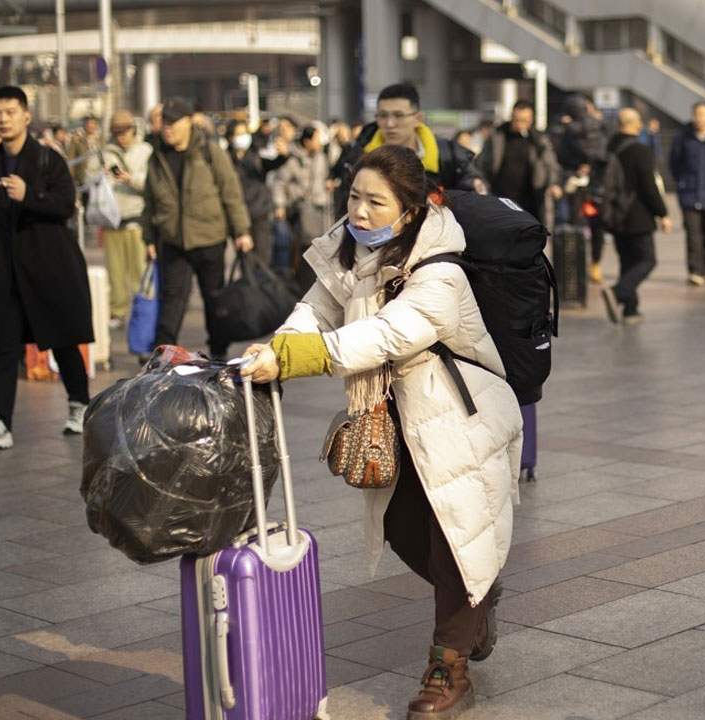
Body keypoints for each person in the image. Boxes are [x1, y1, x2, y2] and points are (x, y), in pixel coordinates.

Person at [239, 144, 521, 720]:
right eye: (354, 197)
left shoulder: (440, 270)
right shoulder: (350, 252)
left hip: (458, 420)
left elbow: (388, 335)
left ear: (411, 210)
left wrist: (296, 359)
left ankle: (449, 668)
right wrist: (276, 346)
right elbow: (315, 309)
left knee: (455, 540)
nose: (361, 212)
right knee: (400, 527)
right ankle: (476, 597)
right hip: (394, 420)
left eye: (376, 202)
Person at [0, 86, 93, 449]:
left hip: (48, 265)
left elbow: (66, 205)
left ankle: (79, 404)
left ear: (25, 116)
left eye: (9, 112)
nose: (2, 119)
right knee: (2, 344)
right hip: (6, 269)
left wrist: (29, 196)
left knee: (62, 338)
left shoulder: (47, 160)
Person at [142, 98, 253, 359]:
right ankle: (162, 354)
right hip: (173, 240)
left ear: (188, 122)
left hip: (209, 238)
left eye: (172, 122)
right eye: (164, 123)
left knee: (214, 299)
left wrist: (241, 232)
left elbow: (231, 193)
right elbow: (149, 202)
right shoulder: (156, 157)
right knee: (172, 299)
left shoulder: (209, 151)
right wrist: (148, 237)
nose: (166, 128)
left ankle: (218, 351)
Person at [330, 83, 485, 214]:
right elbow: (345, 212)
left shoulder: (450, 156)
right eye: (383, 116)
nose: (390, 124)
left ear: (418, 118)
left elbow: (474, 208)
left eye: (398, 116)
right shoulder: (359, 159)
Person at [598, 108, 670, 325]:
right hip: (637, 216)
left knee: (627, 263)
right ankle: (618, 292)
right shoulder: (639, 150)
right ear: (635, 124)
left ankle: (631, 310)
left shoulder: (609, 148)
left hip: (614, 214)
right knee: (647, 260)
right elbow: (649, 186)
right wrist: (662, 213)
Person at [100, 109, 153, 328]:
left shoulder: (145, 150)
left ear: (133, 129)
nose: (122, 136)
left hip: (135, 220)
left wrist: (131, 179)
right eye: (117, 132)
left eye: (125, 131)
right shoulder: (106, 152)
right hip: (112, 221)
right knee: (115, 273)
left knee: (140, 272)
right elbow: (88, 177)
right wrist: (101, 176)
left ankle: (147, 310)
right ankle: (118, 311)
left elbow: (151, 184)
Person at [550, 93, 611, 283]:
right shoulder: (599, 125)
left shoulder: (561, 128)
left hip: (572, 180)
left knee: (573, 224)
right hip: (596, 182)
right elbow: (606, 150)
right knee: (596, 225)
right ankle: (595, 263)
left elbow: (556, 154)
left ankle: (574, 266)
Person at [669, 101, 705, 286]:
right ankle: (695, 271)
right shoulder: (683, 137)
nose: (699, 118)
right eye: (696, 114)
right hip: (689, 192)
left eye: (703, 114)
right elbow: (674, 162)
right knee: (693, 233)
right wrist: (682, 181)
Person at [474, 100, 562, 223]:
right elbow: (481, 164)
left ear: (531, 120)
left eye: (524, 121)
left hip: (531, 199)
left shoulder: (538, 140)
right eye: (517, 120)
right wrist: (482, 185)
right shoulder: (498, 135)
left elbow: (551, 165)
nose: (520, 124)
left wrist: (554, 184)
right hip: (501, 197)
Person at [273, 125, 333, 288]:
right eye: (316, 139)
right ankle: (304, 282)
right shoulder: (293, 160)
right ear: (307, 141)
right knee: (307, 245)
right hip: (301, 208)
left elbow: (325, 176)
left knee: (318, 245)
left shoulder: (321, 157)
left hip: (320, 206)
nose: (320, 142)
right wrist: (279, 205)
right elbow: (279, 182)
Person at [225, 118, 287, 268]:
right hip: (239, 212)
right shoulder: (225, 159)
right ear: (230, 137)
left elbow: (272, 164)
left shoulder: (255, 155)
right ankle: (249, 286)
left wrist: (284, 155)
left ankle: (262, 287)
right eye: (238, 133)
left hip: (260, 210)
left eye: (244, 133)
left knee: (263, 254)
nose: (242, 137)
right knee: (245, 257)